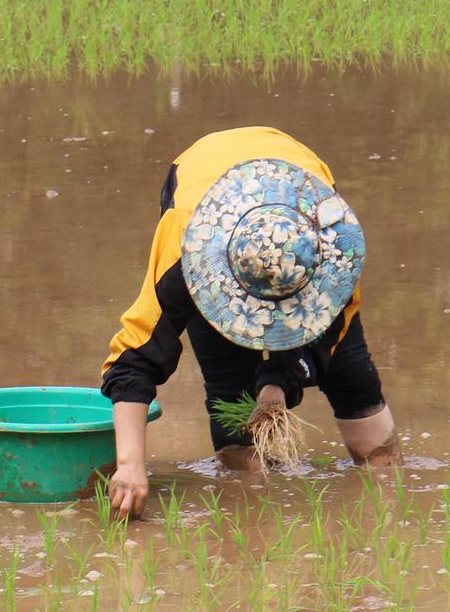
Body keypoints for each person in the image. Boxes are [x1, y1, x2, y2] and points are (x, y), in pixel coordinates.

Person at [100, 127, 398, 516]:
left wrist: (276, 386)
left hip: (297, 188)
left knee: (350, 374)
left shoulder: (332, 242)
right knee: (231, 390)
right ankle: (247, 522)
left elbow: (331, 334)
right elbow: (135, 357)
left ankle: (388, 505)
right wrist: (130, 466)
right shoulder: (186, 247)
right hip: (203, 193)